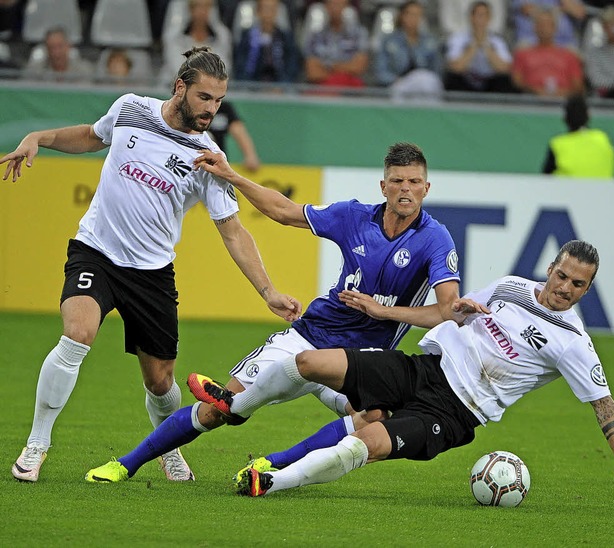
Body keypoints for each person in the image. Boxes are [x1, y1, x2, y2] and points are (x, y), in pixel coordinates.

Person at [83, 142, 488, 483]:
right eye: (397, 181)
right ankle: (125, 465)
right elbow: (282, 211)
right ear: (383, 186)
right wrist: (234, 177)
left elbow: (443, 310)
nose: (406, 189)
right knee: (220, 411)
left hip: (363, 359)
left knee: (373, 417)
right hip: (310, 336)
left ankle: (270, 465)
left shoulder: (434, 238)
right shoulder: (353, 216)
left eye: (414, 181)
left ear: (426, 187)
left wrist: (385, 313)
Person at [2, 46, 300, 483]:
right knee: (76, 335)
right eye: (204, 98)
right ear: (180, 87)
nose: (211, 109)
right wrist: (40, 138)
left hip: (151, 274)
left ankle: (167, 446)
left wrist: (268, 291)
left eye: (218, 101)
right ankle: (36, 444)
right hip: (96, 252)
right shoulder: (131, 109)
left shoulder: (208, 156)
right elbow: (90, 135)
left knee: (161, 382)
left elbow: (233, 230)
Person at [228, 240, 614, 497]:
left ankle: (272, 481)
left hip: (454, 412)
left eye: (578, 284)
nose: (565, 288)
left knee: (362, 444)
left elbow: (605, 406)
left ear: (588, 288)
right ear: (551, 268)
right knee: (309, 361)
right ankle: (235, 405)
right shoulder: (510, 286)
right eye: (563, 275)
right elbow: (452, 315)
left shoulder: (574, 342)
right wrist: (459, 311)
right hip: (426, 369)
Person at [373, 0, 444, 101]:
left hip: (425, 85)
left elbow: (436, 70)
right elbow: (380, 71)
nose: (413, 19)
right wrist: (395, 80)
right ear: (402, 16)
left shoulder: (430, 42)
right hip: (399, 84)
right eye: (410, 14)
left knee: (426, 81)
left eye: (417, 15)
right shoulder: (389, 41)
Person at [444, 1, 516, 93]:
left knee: (505, 80)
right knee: (452, 78)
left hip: (490, 82)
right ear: (471, 17)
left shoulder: (498, 41)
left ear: (489, 18)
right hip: (467, 81)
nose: (480, 20)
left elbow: (505, 68)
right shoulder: (458, 39)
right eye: (478, 15)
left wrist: (486, 46)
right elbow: (456, 67)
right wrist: (474, 45)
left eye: (484, 16)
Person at [511, 8, 584, 97]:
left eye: (548, 24)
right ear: (534, 27)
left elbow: (578, 85)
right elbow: (517, 81)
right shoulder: (522, 54)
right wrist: (534, 90)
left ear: (555, 28)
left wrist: (563, 93)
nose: (544, 28)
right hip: (530, 100)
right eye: (541, 24)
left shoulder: (569, 56)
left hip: (563, 100)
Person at [542, 94, 614, 177]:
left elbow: (545, 178)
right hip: (604, 189)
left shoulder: (557, 144)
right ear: (588, 116)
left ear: (565, 119)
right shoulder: (603, 138)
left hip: (567, 189)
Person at [161, 0, 233, 85]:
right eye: (198, 6)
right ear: (190, 9)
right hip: (174, 88)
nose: (202, 11)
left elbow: (224, 68)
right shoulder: (176, 38)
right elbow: (177, 69)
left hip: (211, 89)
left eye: (207, 6)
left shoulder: (222, 37)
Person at [303, 0, 369, 87]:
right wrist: (344, 69)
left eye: (338, 4)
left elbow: (359, 67)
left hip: (350, 90)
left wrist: (328, 68)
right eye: (332, 4)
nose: (335, 8)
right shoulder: (315, 36)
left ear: (346, 6)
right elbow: (312, 72)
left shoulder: (359, 34)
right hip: (322, 89)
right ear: (326, 7)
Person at [234, 0, 300, 83]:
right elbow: (240, 64)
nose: (269, 13)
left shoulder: (285, 38)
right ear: (258, 12)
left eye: (272, 9)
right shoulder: (247, 36)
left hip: (280, 88)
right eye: (265, 8)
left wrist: (282, 86)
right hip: (252, 86)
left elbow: (292, 66)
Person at [22, 27, 93, 83]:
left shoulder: (83, 70)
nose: (56, 53)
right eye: (51, 48)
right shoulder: (35, 71)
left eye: (60, 47)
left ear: (68, 47)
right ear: (46, 49)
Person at [208, 101, 261, 171]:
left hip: (218, 165)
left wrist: (250, 156)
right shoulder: (191, 109)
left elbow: (237, 129)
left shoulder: (223, 108)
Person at [511, 0, 586, 49]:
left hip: (564, 44)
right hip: (532, 42)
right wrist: (559, 10)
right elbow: (527, 9)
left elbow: (579, 13)